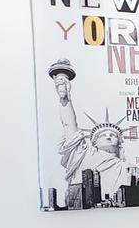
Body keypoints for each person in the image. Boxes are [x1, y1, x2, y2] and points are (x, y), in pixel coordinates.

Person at [49, 58, 128, 201]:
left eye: (113, 135)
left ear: (120, 142)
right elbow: (69, 124)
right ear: (94, 142)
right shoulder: (84, 155)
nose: (108, 137)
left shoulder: (126, 167)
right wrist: (65, 98)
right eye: (103, 135)